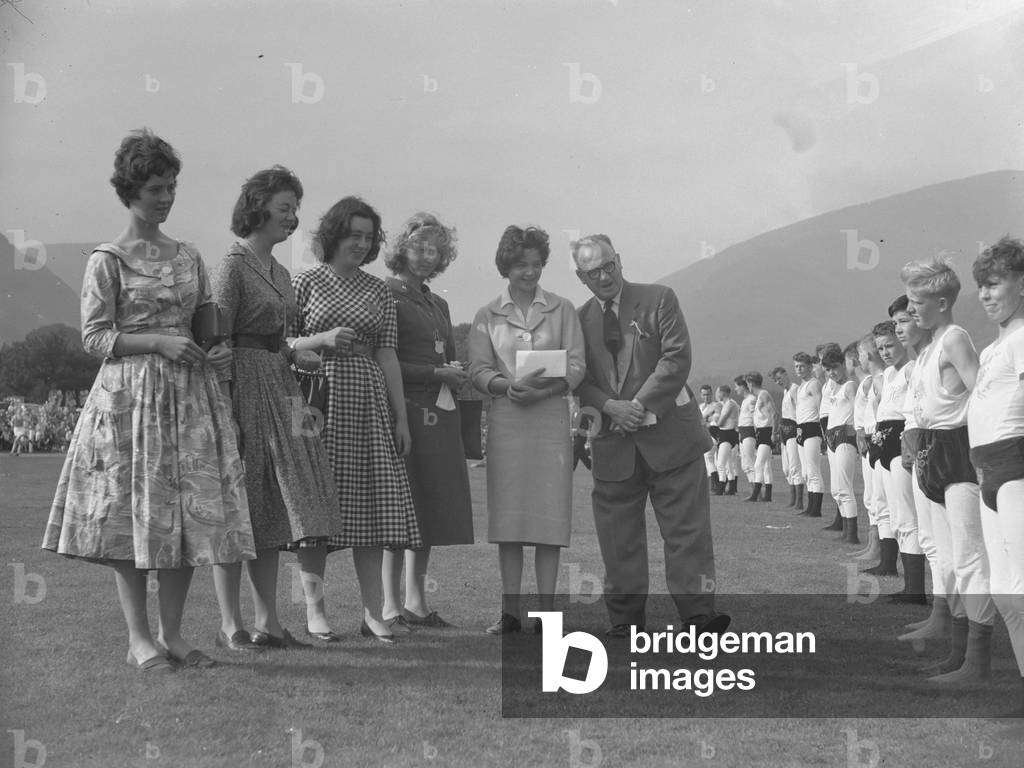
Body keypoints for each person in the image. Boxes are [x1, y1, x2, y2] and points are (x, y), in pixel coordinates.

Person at [41, 129, 255, 673]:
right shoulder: (107, 260)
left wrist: (217, 349)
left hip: (190, 397)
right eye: (156, 187)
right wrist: (157, 341)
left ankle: (174, 634)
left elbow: (206, 320)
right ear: (130, 190)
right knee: (134, 515)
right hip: (131, 400)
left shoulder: (190, 255)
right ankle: (140, 639)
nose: (166, 197)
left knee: (186, 517)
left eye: (171, 187)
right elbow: (94, 337)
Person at [209, 166, 343, 650]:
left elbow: (277, 337)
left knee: (269, 507)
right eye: (284, 208)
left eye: (294, 209)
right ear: (258, 207)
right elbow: (217, 338)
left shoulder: (281, 272)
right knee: (240, 504)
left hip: (279, 383)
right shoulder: (232, 265)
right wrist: (224, 409)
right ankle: (231, 623)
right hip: (243, 385)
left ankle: (268, 621)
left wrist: (294, 353)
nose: (292, 218)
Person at [572, 234, 729, 637]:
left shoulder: (660, 298)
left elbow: (676, 357)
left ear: (619, 260)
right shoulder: (577, 320)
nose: (604, 276)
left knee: (687, 532)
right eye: (593, 272)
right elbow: (578, 378)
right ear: (581, 277)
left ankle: (698, 618)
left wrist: (637, 407)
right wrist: (610, 408)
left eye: (609, 266)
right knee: (618, 539)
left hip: (673, 441)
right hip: (611, 444)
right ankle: (625, 623)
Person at [291, 196, 422, 644]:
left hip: (367, 399)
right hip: (315, 399)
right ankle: (314, 610)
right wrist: (323, 338)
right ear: (334, 236)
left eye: (368, 238)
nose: (361, 244)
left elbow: (388, 354)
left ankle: (372, 614)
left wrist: (400, 419)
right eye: (354, 235)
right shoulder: (304, 283)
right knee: (316, 506)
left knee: (370, 508)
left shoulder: (378, 290)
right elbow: (284, 342)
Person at [469, 226, 584, 635]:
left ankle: (548, 614)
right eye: (521, 264)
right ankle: (510, 612)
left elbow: (576, 366)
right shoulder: (487, 315)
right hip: (508, 421)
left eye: (536, 264)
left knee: (549, 521)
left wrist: (547, 390)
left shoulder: (563, 308)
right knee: (510, 522)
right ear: (506, 266)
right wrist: (506, 387)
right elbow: (478, 370)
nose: (530, 272)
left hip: (550, 420)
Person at [903, 257, 996, 684]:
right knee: (948, 560)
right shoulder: (929, 346)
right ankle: (956, 655)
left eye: (917, 301)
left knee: (969, 556)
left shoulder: (954, 338)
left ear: (941, 302)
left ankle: (977, 663)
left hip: (956, 452)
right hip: (930, 452)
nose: (911, 309)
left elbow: (982, 391)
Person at [382, 212, 474, 630]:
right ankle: (388, 605)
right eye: (418, 246)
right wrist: (436, 373)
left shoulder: (439, 303)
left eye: (434, 248)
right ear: (402, 249)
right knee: (400, 508)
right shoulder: (386, 294)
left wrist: (453, 370)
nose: (425, 255)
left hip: (441, 413)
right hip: (405, 411)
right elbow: (384, 360)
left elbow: (443, 355)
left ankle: (417, 603)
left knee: (429, 509)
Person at [967, 236, 1024, 716]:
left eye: (995, 284)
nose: (986, 294)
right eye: (981, 286)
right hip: (988, 471)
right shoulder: (992, 349)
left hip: (1015, 468)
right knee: (1008, 595)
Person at [820, 346, 860, 544]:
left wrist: (858, 432)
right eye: (827, 370)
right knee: (836, 489)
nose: (831, 373)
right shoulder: (833, 388)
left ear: (843, 364)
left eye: (834, 368)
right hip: (831, 437)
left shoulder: (850, 386)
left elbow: (859, 410)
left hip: (845, 436)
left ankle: (852, 534)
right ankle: (845, 530)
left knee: (844, 487)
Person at [793, 352, 824, 517]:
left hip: (812, 428)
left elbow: (820, 407)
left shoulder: (814, 384)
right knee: (805, 472)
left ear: (810, 367)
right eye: (796, 366)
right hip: (801, 429)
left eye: (802, 366)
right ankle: (809, 507)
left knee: (813, 470)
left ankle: (815, 509)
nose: (798, 369)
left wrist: (823, 431)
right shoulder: (800, 387)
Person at [770, 366, 804, 509]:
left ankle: (799, 501)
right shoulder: (786, 391)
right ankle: (793, 499)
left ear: (785, 374)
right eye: (775, 380)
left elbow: (799, 411)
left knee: (795, 466)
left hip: (793, 429)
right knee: (786, 468)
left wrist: (799, 430)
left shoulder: (795, 389)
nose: (778, 382)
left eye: (779, 378)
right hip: (784, 431)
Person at [745, 371, 777, 502]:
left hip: (766, 432)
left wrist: (774, 434)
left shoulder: (763, 394)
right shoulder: (760, 396)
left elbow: (775, 414)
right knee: (766, 465)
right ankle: (767, 495)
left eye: (748, 384)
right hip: (761, 432)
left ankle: (755, 494)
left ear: (751, 383)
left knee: (758, 464)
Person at [714, 385, 740, 496]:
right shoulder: (731, 403)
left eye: (717, 392)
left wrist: (715, 418)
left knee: (720, 463)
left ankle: (721, 488)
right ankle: (732, 489)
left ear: (722, 393)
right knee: (729, 463)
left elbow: (720, 422)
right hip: (730, 434)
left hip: (727, 434)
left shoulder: (729, 404)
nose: (716, 395)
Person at [699, 384, 723, 494]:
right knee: (707, 460)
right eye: (704, 395)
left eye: (708, 394)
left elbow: (716, 420)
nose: (706, 397)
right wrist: (706, 419)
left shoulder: (716, 405)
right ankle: (714, 485)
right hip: (702, 435)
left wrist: (705, 420)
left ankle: (715, 484)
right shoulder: (700, 407)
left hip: (712, 435)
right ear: (700, 395)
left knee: (709, 458)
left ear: (711, 394)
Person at [735, 375, 757, 493]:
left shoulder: (752, 399)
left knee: (750, 462)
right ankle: (754, 491)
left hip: (749, 432)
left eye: (736, 386)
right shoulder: (744, 401)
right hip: (743, 433)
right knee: (745, 464)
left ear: (743, 387)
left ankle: (756, 492)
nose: (735, 389)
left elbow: (755, 417)